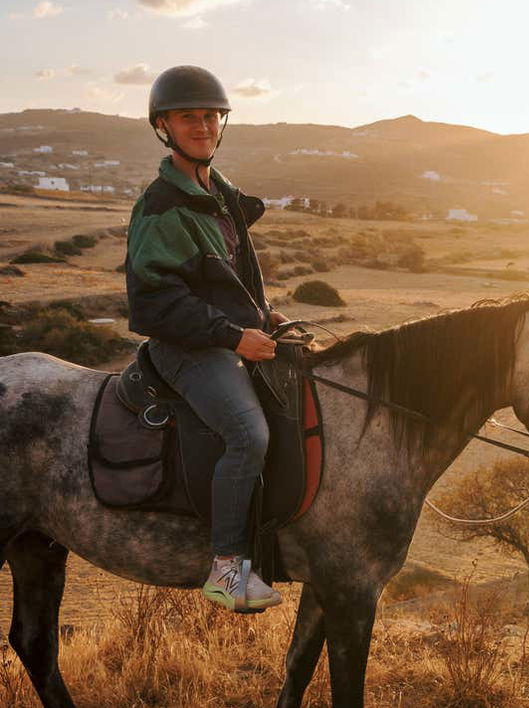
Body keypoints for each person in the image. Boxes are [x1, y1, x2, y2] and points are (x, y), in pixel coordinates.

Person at [126, 65, 287, 612]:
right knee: (248, 434)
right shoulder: (161, 207)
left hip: (228, 336)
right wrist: (233, 336)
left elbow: (227, 277)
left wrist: (262, 316)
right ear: (163, 126)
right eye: (188, 117)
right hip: (188, 349)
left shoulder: (216, 192)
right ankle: (225, 570)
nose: (202, 125)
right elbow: (154, 303)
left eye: (211, 116)